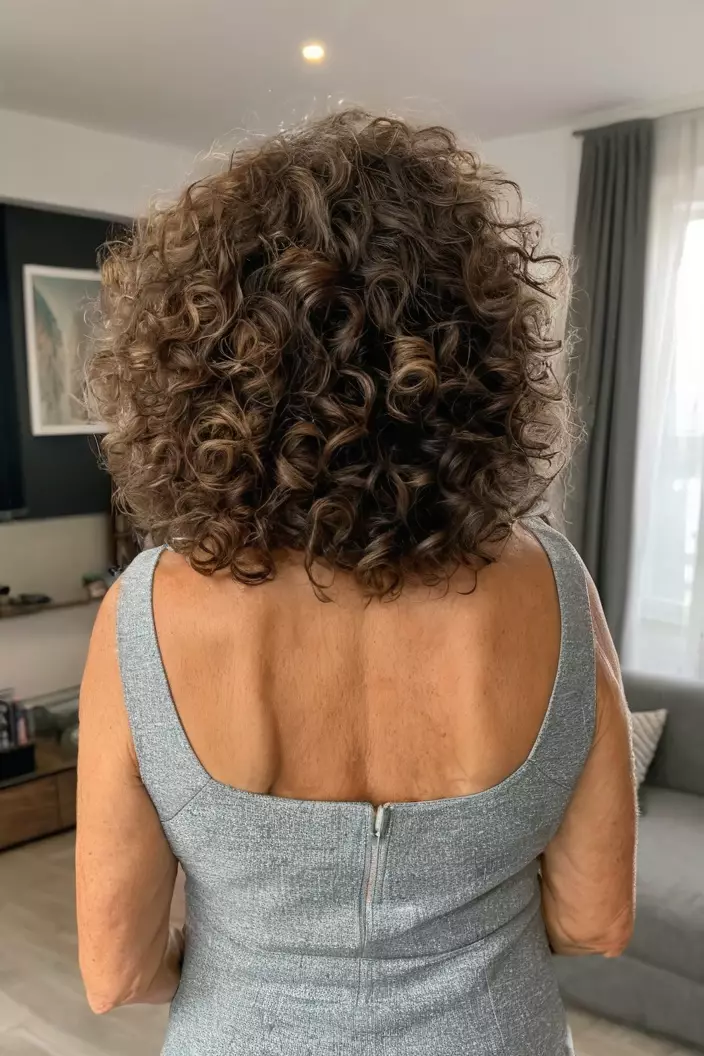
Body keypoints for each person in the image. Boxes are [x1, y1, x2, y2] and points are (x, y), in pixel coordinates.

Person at [77, 110, 636, 1056]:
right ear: (478, 359)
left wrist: (252, 970)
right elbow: (594, 920)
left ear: (198, 372)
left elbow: (117, 967)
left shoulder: (145, 612)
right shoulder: (553, 586)